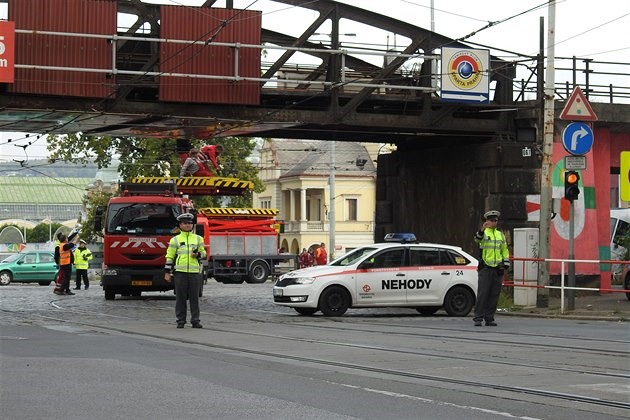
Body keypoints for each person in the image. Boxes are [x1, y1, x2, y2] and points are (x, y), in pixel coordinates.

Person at [164, 213, 207, 329]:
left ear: (192, 225)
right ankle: (180, 321)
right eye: (185, 223)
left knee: (194, 298)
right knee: (180, 298)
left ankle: (195, 320)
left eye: (189, 223)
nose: (187, 225)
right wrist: (167, 272)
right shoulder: (175, 240)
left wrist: (197, 254)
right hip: (180, 273)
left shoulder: (198, 238)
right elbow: (169, 256)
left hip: (194, 273)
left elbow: (204, 254)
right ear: (180, 225)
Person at [473, 210, 510, 327]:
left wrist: (506, 263)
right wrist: (482, 230)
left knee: (494, 294)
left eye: (495, 220)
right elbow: (477, 240)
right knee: (483, 293)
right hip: (486, 267)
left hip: (497, 268)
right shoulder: (484, 233)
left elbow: (504, 250)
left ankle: (489, 318)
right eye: (491, 220)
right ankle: (478, 318)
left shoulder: (500, 234)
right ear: (487, 221)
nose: (494, 222)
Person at [53, 230, 80, 295]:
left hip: (65, 263)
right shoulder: (62, 245)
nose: (67, 239)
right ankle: (60, 290)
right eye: (66, 238)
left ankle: (66, 290)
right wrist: (76, 238)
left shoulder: (63, 244)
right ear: (63, 239)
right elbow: (72, 244)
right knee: (64, 278)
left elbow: (70, 239)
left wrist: (76, 233)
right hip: (65, 263)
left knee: (66, 277)